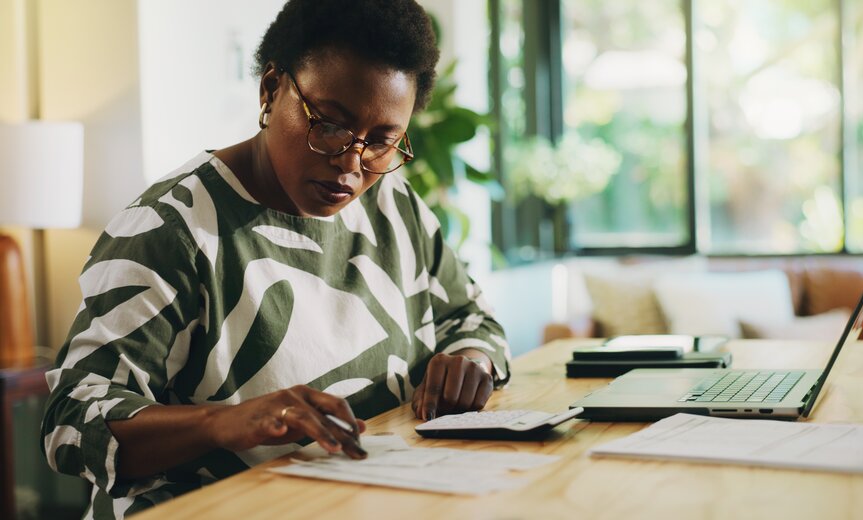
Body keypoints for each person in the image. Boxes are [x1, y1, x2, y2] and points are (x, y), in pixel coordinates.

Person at [40, 0, 511, 517]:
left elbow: (471, 317)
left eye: (382, 141)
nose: (351, 167)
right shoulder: (172, 229)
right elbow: (72, 420)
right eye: (330, 124)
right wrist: (227, 422)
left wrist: (471, 360)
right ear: (270, 90)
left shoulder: (392, 204)